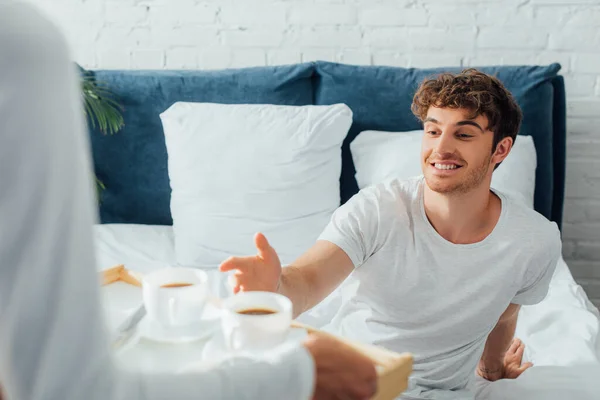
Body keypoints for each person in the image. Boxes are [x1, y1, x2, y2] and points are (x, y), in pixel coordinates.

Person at [0, 2, 377, 400]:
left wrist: (277, 288)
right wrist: (297, 378)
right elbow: (64, 390)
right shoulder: (19, 46)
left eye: (455, 132)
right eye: (432, 129)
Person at [220, 68, 562, 399]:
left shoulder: (533, 240)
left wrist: (492, 369)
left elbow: (506, 311)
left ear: (500, 150)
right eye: (432, 130)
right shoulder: (378, 208)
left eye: (464, 134)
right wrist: (273, 288)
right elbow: (307, 281)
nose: (440, 148)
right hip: (351, 382)